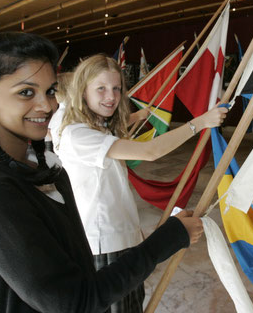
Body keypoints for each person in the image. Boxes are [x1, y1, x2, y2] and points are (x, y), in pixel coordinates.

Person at [0, 32, 204, 313]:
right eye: (25, 92)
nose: (46, 105)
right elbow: (73, 302)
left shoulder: (38, 166)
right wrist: (169, 237)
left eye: (49, 91)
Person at [56, 54, 227, 313]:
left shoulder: (96, 126)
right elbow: (150, 152)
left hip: (121, 234)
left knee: (133, 303)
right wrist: (198, 123)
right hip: (105, 242)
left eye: (116, 88)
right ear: (82, 90)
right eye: (101, 88)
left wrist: (144, 113)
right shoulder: (77, 134)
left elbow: (119, 126)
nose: (111, 96)